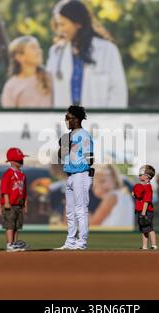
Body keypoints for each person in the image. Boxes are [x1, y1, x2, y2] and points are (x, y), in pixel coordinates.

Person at [47, 0, 128, 108]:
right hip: (67, 119)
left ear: (78, 23)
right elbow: (49, 90)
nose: (60, 30)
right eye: (58, 25)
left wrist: (110, 121)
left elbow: (118, 92)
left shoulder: (107, 50)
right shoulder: (56, 52)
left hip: (100, 120)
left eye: (63, 24)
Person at [55, 105, 94, 250]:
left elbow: (90, 159)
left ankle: (81, 241)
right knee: (70, 210)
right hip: (70, 176)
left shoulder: (83, 135)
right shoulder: (68, 136)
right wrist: (64, 145)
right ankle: (70, 241)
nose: (66, 120)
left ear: (76, 119)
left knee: (80, 209)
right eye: (66, 118)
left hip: (81, 174)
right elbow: (60, 156)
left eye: (68, 118)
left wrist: (72, 147)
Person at [0, 36, 53, 108]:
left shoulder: (50, 77)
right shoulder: (11, 86)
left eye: (38, 47)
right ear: (19, 57)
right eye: (33, 48)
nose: (39, 51)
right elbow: (9, 117)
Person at [0, 147, 28, 252]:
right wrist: (6, 201)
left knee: (17, 225)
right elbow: (4, 189)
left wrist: (25, 203)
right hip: (10, 204)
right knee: (10, 225)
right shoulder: (8, 174)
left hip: (18, 204)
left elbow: (24, 190)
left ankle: (15, 243)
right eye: (19, 159)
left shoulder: (22, 175)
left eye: (22, 159)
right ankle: (9, 244)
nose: (21, 161)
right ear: (11, 161)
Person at [132, 165, 158, 250]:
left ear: (147, 176)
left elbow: (147, 201)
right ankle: (145, 246)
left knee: (149, 228)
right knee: (144, 229)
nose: (139, 176)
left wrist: (143, 212)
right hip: (141, 210)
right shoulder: (141, 186)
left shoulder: (148, 187)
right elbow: (139, 198)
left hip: (146, 211)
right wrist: (135, 194)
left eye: (141, 174)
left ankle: (152, 245)